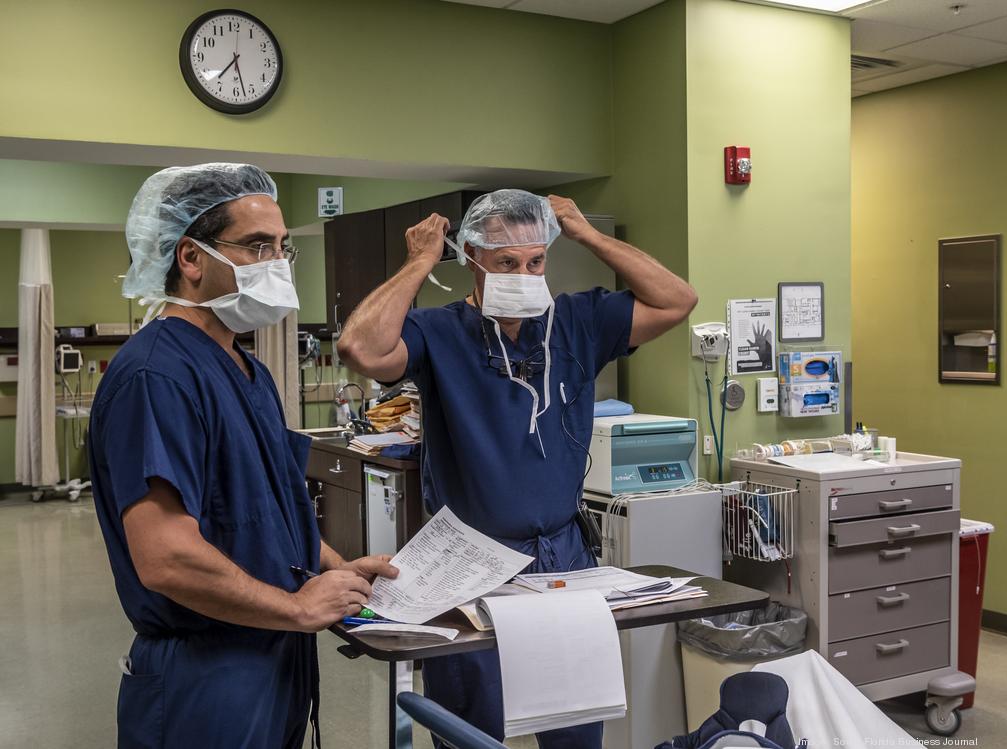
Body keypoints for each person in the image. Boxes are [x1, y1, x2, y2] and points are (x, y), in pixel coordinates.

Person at [337, 189, 697, 747]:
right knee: (469, 727)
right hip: (470, 560)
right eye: (506, 262)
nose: (524, 276)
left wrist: (587, 234)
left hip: (562, 556)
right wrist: (419, 261)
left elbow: (678, 301)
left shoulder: (577, 321)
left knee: (575, 722)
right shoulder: (439, 331)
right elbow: (360, 348)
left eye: (535, 262)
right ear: (472, 259)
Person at [89, 163, 398, 749]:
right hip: (207, 673)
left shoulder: (248, 369)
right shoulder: (157, 376)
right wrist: (297, 608)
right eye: (258, 246)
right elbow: (167, 558)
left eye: (282, 248)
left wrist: (336, 569)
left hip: (270, 652)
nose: (277, 263)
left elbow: (265, 511)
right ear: (191, 258)